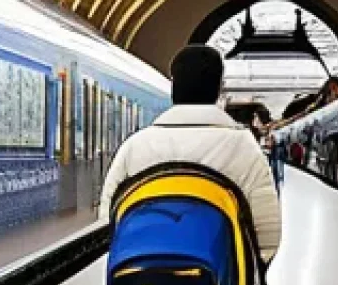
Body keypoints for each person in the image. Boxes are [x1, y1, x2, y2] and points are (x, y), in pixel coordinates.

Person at [99, 45, 282, 265]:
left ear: (174, 86)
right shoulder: (244, 147)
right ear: (218, 89)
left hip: (142, 282)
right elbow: (267, 233)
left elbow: (107, 222)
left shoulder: (135, 146)